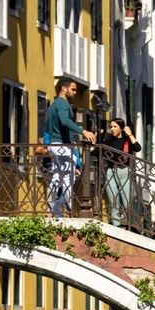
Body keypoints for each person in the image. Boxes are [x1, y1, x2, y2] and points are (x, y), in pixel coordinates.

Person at [44, 78, 96, 217]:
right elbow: (65, 121)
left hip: (54, 145)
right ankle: (64, 210)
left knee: (56, 176)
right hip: (61, 145)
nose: (74, 93)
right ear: (63, 89)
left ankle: (50, 209)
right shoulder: (62, 104)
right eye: (72, 89)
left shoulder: (54, 104)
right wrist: (83, 131)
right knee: (68, 177)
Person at [99, 117, 141, 226]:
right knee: (114, 201)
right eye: (111, 127)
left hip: (125, 171)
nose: (112, 129)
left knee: (128, 201)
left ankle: (126, 222)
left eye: (115, 127)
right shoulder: (108, 139)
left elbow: (137, 148)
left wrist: (130, 134)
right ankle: (117, 226)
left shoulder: (127, 140)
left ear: (121, 128)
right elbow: (99, 151)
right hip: (111, 172)